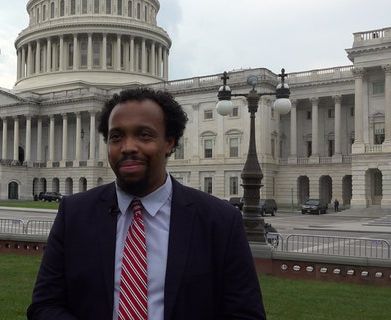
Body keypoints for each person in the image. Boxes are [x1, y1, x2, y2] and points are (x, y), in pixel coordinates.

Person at [27, 88, 265, 319]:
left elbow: (245, 313)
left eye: (144, 135)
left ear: (170, 142)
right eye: (116, 137)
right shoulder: (74, 214)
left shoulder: (220, 221)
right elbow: (45, 305)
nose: (128, 147)